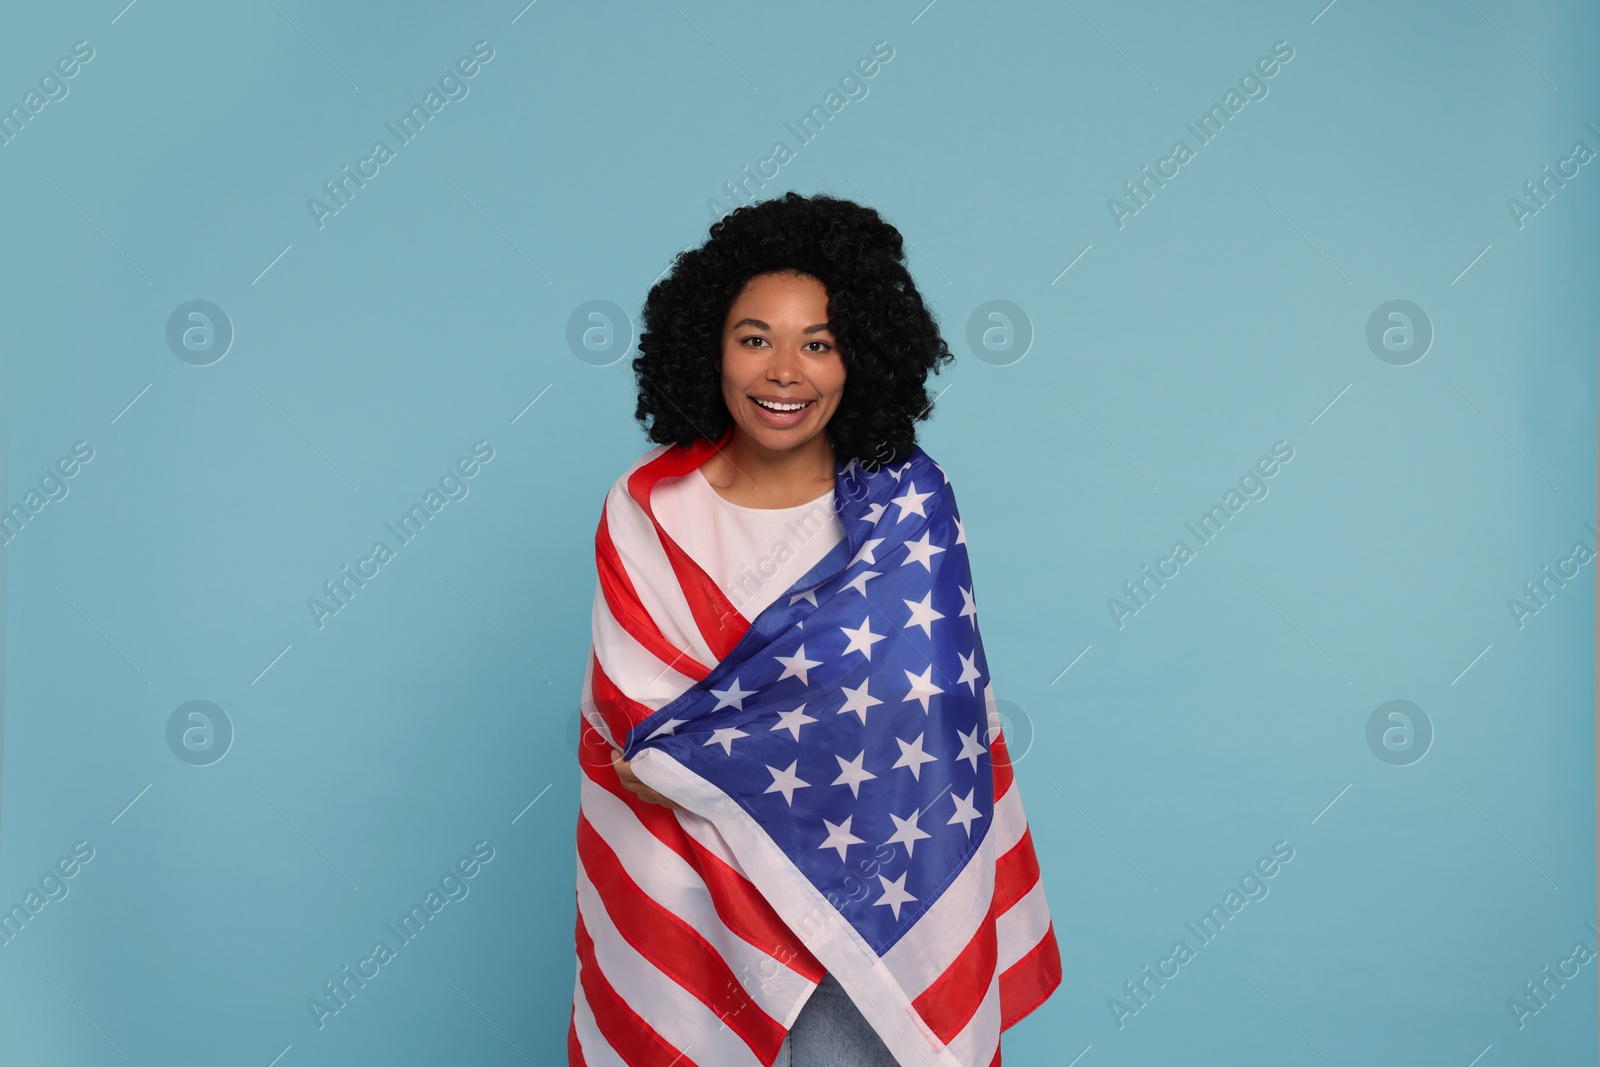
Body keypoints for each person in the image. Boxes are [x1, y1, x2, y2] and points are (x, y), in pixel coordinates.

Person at [570, 192, 1060, 1066]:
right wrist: (791, 746)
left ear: (860, 358)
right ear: (709, 349)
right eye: (755, 337)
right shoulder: (647, 509)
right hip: (700, 892)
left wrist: (723, 750)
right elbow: (639, 741)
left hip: (873, 892)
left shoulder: (909, 500)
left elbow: (928, 714)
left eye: (819, 342)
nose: (784, 370)